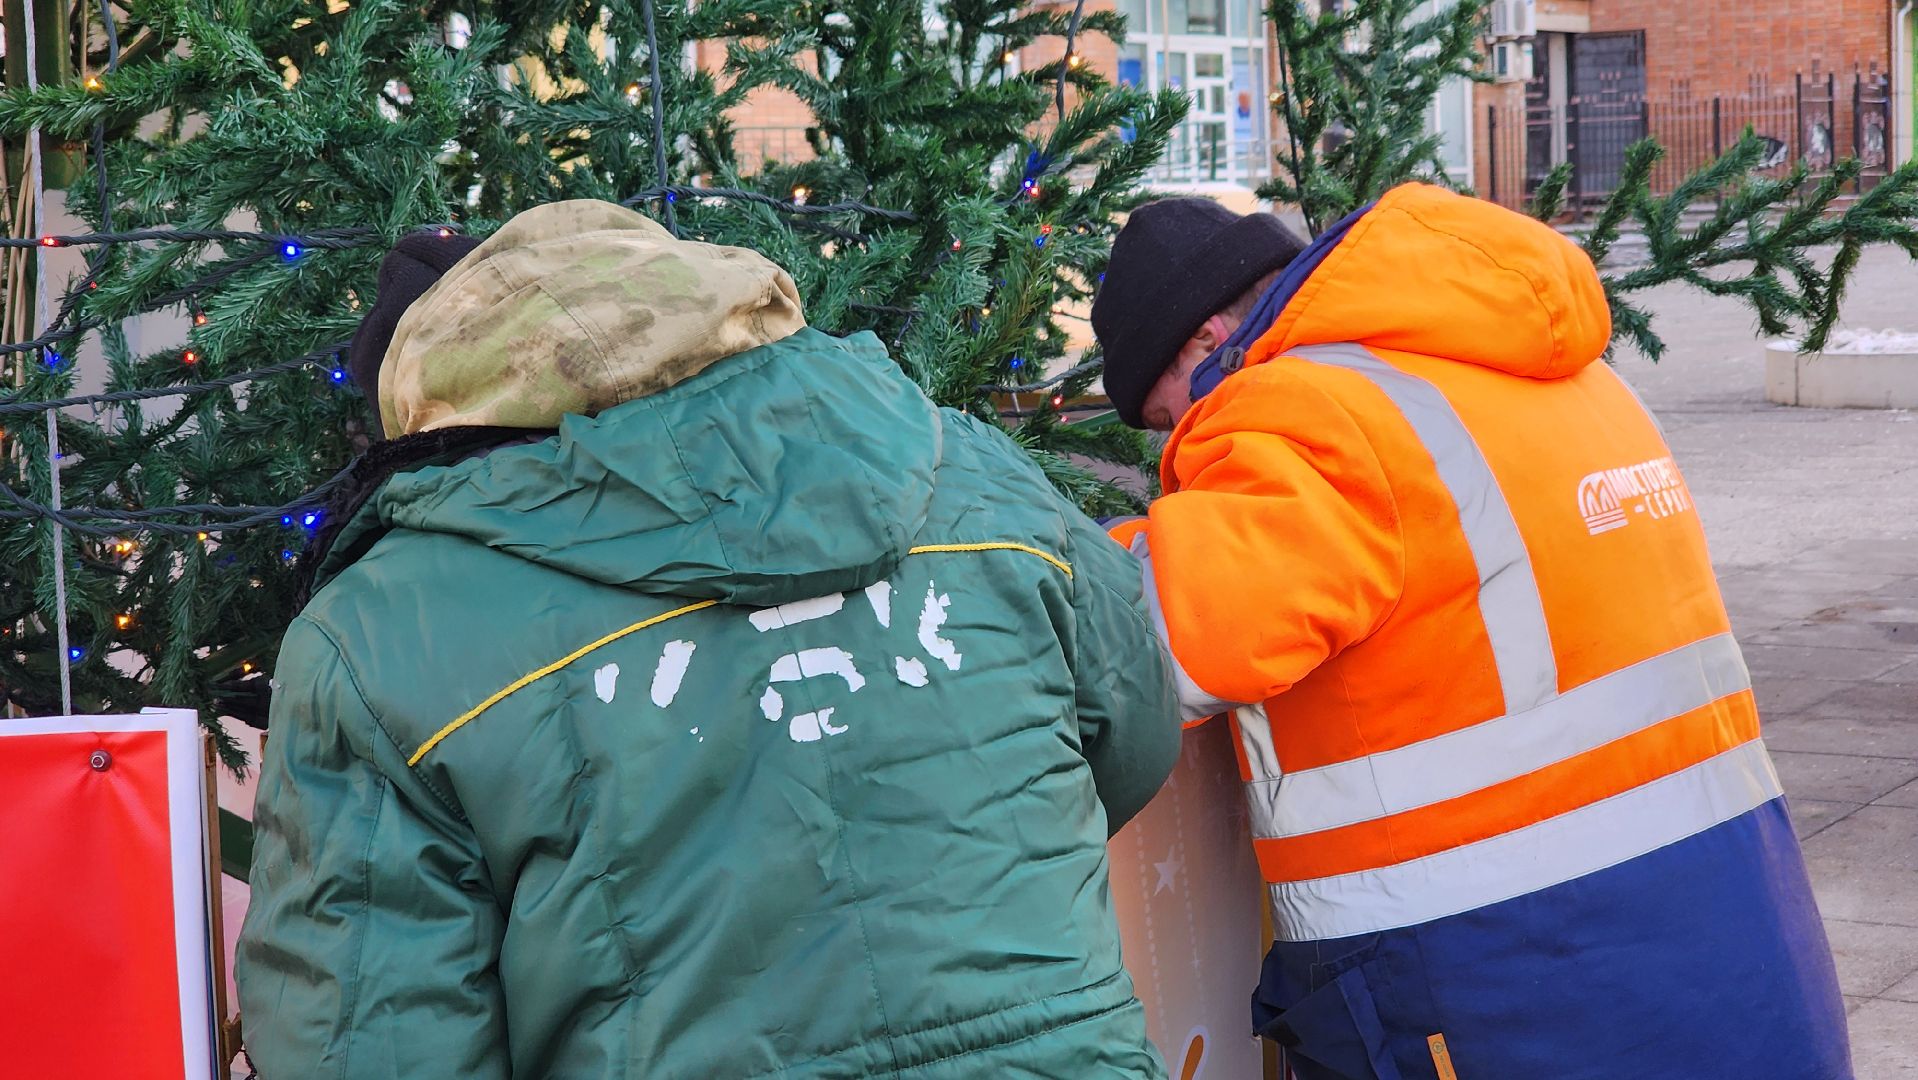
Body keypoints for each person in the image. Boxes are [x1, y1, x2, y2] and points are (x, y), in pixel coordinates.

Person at [237, 200, 1180, 1079]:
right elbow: (1131, 732)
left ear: (430, 408)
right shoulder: (975, 471)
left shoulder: (381, 632)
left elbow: (370, 1036)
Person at [1092, 188, 1851, 1079]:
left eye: (1164, 417)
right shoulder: (1562, 376)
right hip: (1722, 920)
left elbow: (1158, 648)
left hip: (1502, 970)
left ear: (1208, 345)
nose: (1177, 444)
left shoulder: (1304, 410)